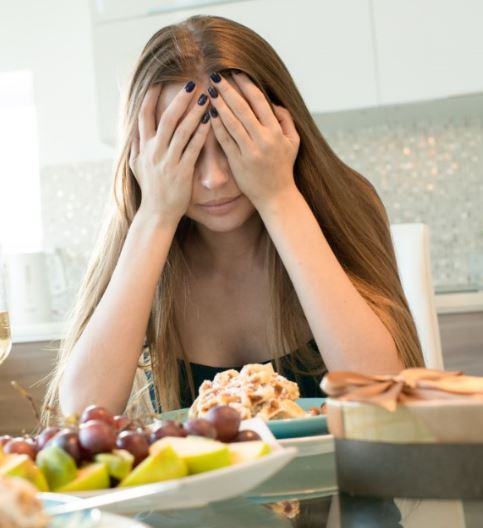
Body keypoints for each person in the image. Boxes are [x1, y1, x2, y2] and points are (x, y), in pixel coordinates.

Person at [43, 15, 423, 423]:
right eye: (184, 150)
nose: (213, 179)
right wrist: (155, 214)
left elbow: (384, 392)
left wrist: (279, 196)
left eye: (235, 143)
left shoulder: (350, 202)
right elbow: (82, 411)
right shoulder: (142, 231)